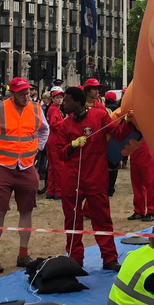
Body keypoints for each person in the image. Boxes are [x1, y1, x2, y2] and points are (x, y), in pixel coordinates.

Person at [0, 77, 49, 274]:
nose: (26, 96)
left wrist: (37, 148)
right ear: (12, 93)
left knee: (27, 210)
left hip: (26, 167)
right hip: (2, 167)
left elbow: (44, 130)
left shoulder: (36, 108)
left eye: (28, 92)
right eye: (22, 93)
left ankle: (23, 254)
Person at [56, 86, 134, 270]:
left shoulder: (100, 116)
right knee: (72, 219)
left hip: (96, 178)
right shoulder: (65, 125)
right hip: (72, 179)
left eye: (67, 101)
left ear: (77, 102)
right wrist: (72, 145)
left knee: (102, 218)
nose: (63, 104)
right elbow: (60, 153)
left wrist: (128, 122)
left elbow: (119, 134)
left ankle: (109, 258)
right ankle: (75, 258)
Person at [128, 140, 154, 222]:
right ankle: (139, 210)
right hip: (133, 147)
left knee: (150, 182)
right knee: (136, 182)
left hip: (146, 147)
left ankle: (152, 211)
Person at [45, 86, 65, 200]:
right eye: (57, 98)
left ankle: (50, 191)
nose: (59, 100)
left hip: (51, 139)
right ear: (53, 99)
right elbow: (54, 124)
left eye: (61, 98)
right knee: (58, 167)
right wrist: (64, 123)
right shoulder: (55, 110)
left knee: (52, 167)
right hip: (55, 140)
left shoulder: (52, 109)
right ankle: (58, 191)